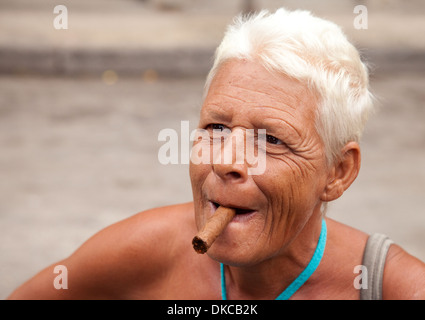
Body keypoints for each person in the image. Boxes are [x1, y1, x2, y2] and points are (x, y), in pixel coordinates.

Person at [8, 8, 425, 300]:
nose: (227, 161)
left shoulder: (395, 289)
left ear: (338, 171)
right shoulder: (145, 252)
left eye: (271, 140)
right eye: (217, 128)